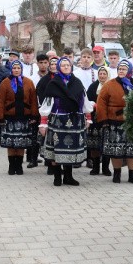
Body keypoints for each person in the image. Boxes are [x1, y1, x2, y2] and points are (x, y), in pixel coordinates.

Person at [39, 58, 91, 187]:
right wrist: (43, 122)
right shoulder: (53, 83)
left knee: (71, 150)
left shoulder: (77, 82)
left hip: (75, 120)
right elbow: (47, 104)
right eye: (63, 65)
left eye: (68, 65)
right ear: (58, 67)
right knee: (57, 150)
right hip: (58, 120)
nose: (66, 67)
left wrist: (88, 116)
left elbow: (84, 100)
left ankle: (69, 177)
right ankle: (57, 177)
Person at [97, 61, 133, 184]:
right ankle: (117, 174)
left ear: (130, 71)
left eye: (124, 69)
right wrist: (103, 119)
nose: (121, 71)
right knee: (115, 150)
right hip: (114, 123)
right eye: (119, 69)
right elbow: (101, 102)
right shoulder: (109, 85)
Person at [0, 60, 39, 175]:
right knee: (11, 144)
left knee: (21, 143)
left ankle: (19, 166)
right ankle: (11, 165)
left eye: (18, 68)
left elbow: (33, 100)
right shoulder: (5, 83)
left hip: (24, 118)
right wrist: (0, 117)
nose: (16, 70)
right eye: (14, 68)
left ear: (21, 69)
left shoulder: (28, 82)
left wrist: (34, 115)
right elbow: (0, 101)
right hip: (9, 118)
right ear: (11, 69)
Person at [86, 67, 111, 176]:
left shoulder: (111, 86)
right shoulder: (92, 87)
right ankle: (96, 167)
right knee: (94, 144)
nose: (102, 76)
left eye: (104, 74)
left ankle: (105, 167)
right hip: (95, 120)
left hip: (107, 119)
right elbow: (87, 100)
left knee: (106, 144)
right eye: (100, 74)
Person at [25, 54, 49, 169]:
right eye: (41, 63)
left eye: (45, 62)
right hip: (36, 108)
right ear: (37, 63)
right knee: (34, 135)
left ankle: (48, 159)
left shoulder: (52, 77)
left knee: (47, 135)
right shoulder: (32, 78)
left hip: (48, 110)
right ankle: (32, 159)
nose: (43, 65)